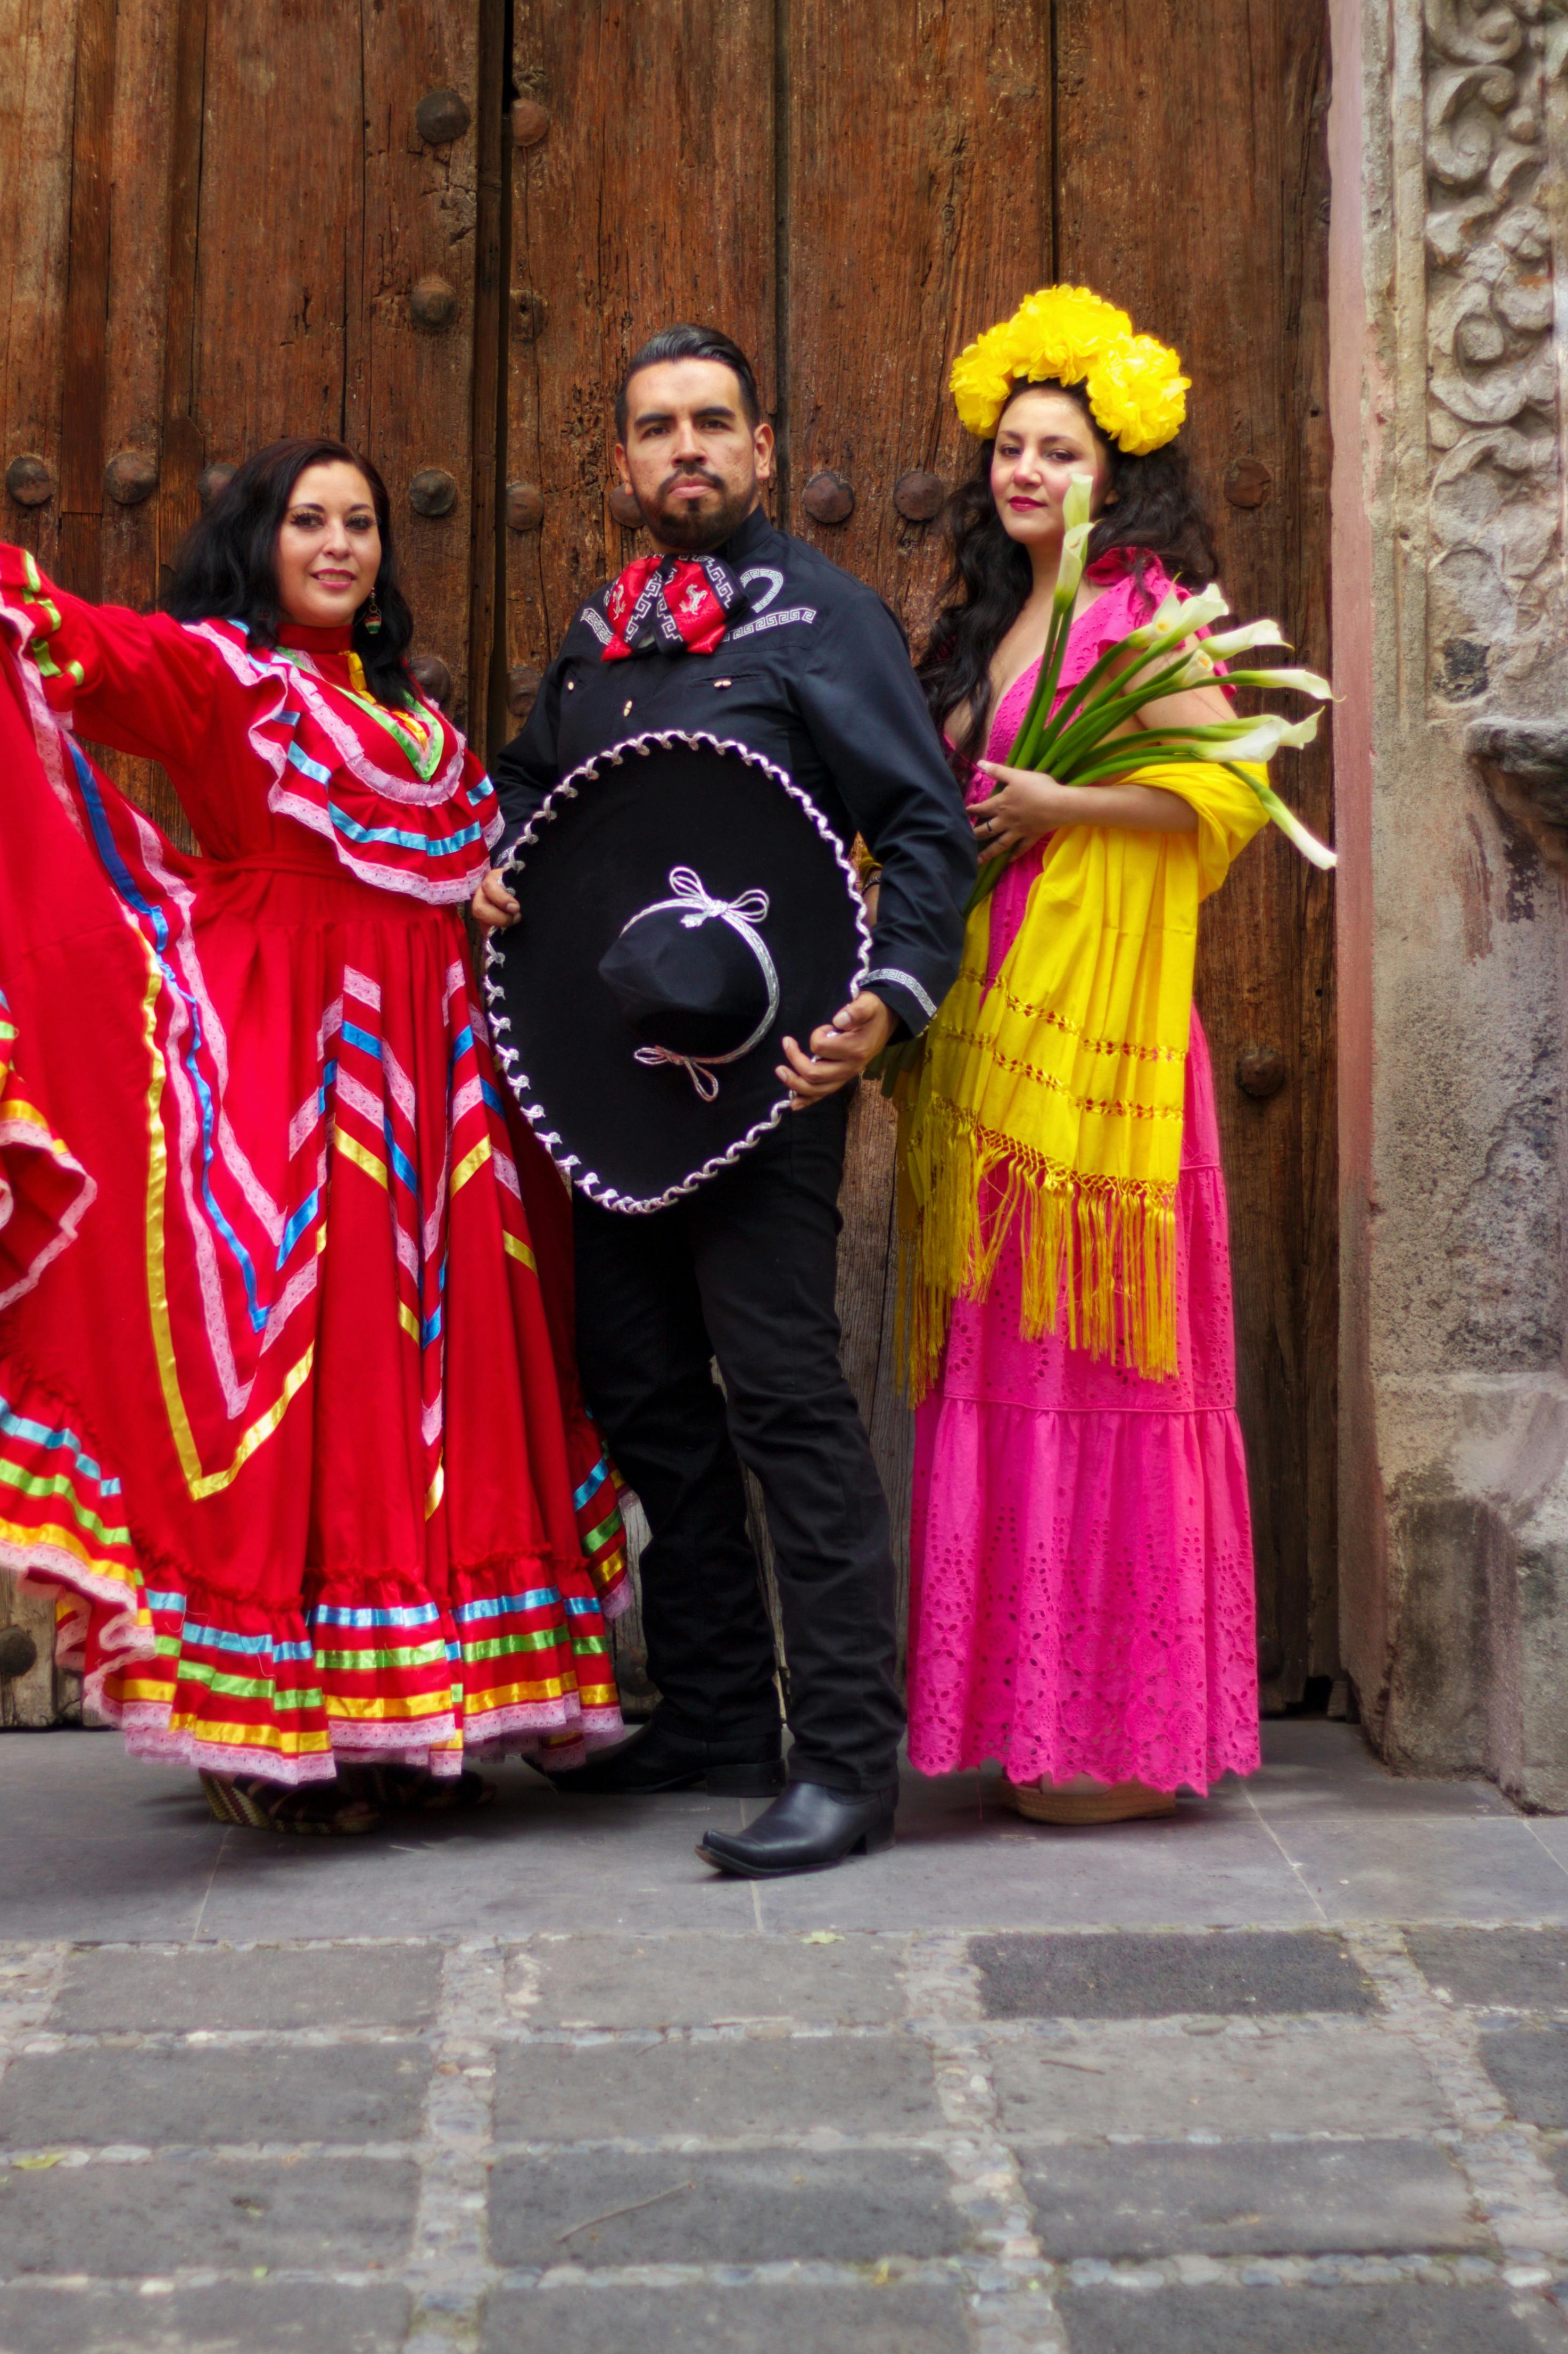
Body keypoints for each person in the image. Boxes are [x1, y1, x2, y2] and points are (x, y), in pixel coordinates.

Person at [0, 439, 629, 1832]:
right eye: (310, 523)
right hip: (290, 1061)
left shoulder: (410, 714)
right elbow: (88, 660)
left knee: (428, 1370)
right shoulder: (227, 676)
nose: (342, 546)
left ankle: (409, 1722)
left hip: (438, 1084)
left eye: (360, 523)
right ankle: (282, 1733)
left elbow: (447, 860)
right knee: (305, 1372)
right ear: (259, 541)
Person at [475, 324, 975, 1877]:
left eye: (712, 424)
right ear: (621, 466)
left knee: (782, 1401)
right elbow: (530, 790)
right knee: (638, 1387)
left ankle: (839, 1764)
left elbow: (925, 826)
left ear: (762, 451)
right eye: (655, 428)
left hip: (770, 1082)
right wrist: (493, 864)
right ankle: (708, 1715)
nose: (684, 448)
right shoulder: (596, 630)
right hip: (612, 1093)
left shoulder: (829, 622)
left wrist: (888, 1003)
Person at [902, 287, 1268, 1822]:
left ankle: (1124, 1729)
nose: (1028, 472)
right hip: (1000, 1030)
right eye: (1010, 449)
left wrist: (1061, 811)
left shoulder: (1142, 614)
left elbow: (1229, 793)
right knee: (1005, 1357)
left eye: (1059, 449)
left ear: (1116, 472)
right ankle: (1026, 1709)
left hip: (1108, 1056)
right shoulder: (1000, 624)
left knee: (1107, 1359)